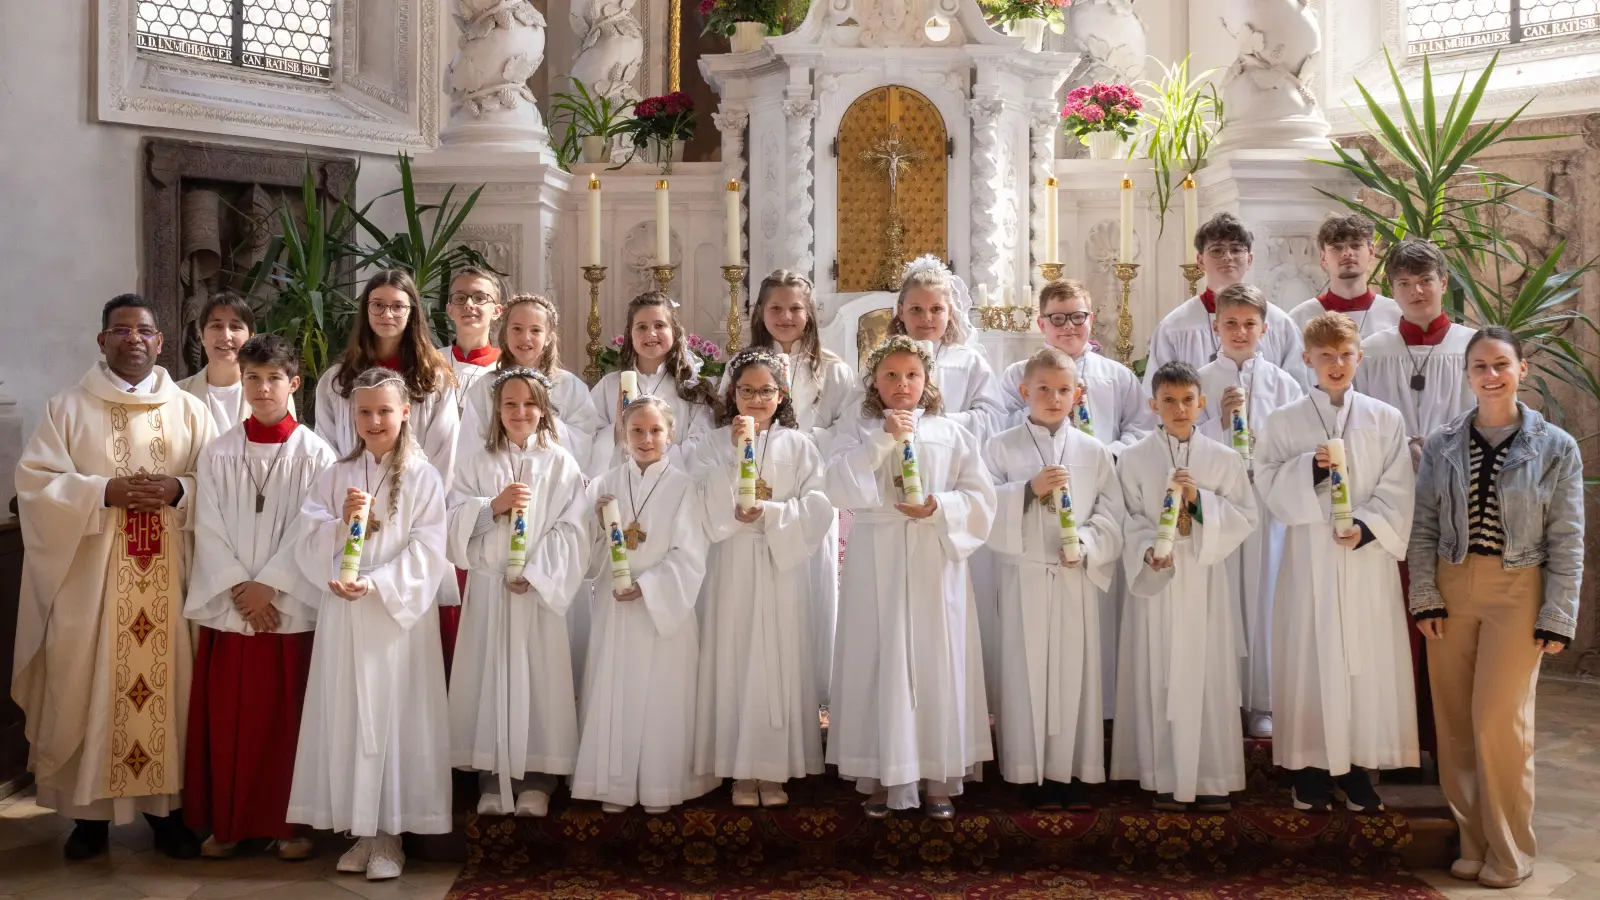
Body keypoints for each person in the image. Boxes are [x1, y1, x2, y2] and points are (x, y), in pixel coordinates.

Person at [13, 294, 215, 860]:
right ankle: (89, 818)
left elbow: (218, 483)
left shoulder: (192, 411)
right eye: (121, 330)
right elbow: (34, 485)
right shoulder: (67, 408)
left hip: (170, 574)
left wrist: (180, 490)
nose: (134, 339)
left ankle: (168, 815)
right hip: (93, 582)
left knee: (170, 692)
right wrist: (103, 490)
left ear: (160, 342)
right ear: (102, 341)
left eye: (144, 331)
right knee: (86, 684)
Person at [1409, 327, 1585, 890]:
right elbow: (1425, 527)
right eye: (1480, 366)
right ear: (1467, 375)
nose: (1491, 375)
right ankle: (1472, 840)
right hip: (1452, 585)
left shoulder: (1556, 446)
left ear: (1521, 369)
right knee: (1456, 723)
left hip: (1518, 588)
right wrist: (1425, 595)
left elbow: (1568, 537)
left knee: (1498, 723)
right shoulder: (1442, 443)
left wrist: (1557, 612)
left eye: (1501, 365)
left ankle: (1511, 850)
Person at [286, 366, 452, 881]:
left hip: (393, 617)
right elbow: (306, 537)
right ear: (350, 415)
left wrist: (377, 584)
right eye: (364, 411)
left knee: (392, 717)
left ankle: (390, 835)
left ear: (406, 413)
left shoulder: (423, 478)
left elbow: (429, 548)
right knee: (349, 715)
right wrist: (339, 525)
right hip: (345, 610)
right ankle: (360, 831)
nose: (374, 420)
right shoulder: (336, 474)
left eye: (384, 410)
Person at [825, 335, 995, 819]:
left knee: (935, 658)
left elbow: (982, 498)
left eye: (913, 375)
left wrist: (940, 506)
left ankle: (939, 775)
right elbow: (835, 483)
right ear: (874, 382)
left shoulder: (952, 432)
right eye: (891, 375)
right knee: (879, 655)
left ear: (928, 380)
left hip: (934, 556)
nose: (903, 385)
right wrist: (881, 440)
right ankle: (880, 774)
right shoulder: (855, 430)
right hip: (877, 554)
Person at [1256, 312, 1417, 813]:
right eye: (1326, 356)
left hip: (1365, 559)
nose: (1337, 364)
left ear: (1359, 358)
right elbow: (1266, 481)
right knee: (1310, 655)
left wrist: (1367, 526)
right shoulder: (1284, 421)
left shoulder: (1385, 418)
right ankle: (1308, 769)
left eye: (1346, 354)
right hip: (1309, 559)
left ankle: (1360, 769)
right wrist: (1309, 467)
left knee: (1364, 661)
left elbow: (1399, 487)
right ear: (1308, 359)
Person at [183, 334, 335, 860]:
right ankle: (229, 824)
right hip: (232, 609)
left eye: (274, 378)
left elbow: (312, 529)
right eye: (253, 378)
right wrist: (240, 589)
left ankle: (287, 826)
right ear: (241, 381)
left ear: (294, 383)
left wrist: (271, 584)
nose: (263, 387)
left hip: (286, 610)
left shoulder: (317, 453)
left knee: (285, 722)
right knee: (230, 723)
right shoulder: (219, 451)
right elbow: (208, 526)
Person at [1112, 361, 1257, 812]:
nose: (1179, 409)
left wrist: (1200, 503)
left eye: (1188, 400)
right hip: (1158, 581)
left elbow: (1246, 517)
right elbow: (1127, 518)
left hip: (1205, 582)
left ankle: (1211, 776)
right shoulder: (1134, 460)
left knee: (1206, 672)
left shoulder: (1223, 459)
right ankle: (1162, 774)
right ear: (1153, 404)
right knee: (1160, 673)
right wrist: (1147, 551)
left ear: (1202, 403)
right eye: (1169, 400)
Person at [984, 347, 1124, 811]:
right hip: (1024, 576)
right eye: (1043, 389)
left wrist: (1085, 543)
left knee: (1072, 673)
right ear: (1025, 391)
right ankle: (1024, 772)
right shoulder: (1001, 446)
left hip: (1072, 577)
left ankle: (1071, 774)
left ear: (1077, 394)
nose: (1054, 397)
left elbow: (1111, 513)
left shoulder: (1093, 450)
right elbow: (982, 509)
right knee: (1023, 671)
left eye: (1064, 390)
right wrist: (1027, 491)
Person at [692, 349, 832, 808]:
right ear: (732, 394)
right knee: (731, 657)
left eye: (765, 390)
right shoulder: (712, 443)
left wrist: (771, 514)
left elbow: (818, 508)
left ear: (781, 395)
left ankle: (773, 770)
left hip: (779, 565)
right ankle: (736, 767)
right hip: (729, 562)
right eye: (746, 390)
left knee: (777, 662)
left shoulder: (800, 445)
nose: (755, 398)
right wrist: (735, 458)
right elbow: (696, 500)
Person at [447, 368, 587, 818]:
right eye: (510, 404)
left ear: (543, 409)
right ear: (496, 409)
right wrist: (492, 507)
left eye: (529, 404)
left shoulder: (560, 462)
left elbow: (573, 527)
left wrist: (538, 572)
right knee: (490, 678)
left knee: (539, 679)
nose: (520, 412)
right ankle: (494, 776)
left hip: (537, 595)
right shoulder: (476, 462)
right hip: (491, 592)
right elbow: (451, 521)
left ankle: (538, 778)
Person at [571, 396, 716, 814]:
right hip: (616, 607)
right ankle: (614, 784)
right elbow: (585, 554)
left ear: (670, 434)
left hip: (661, 608)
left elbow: (690, 554)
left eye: (655, 430)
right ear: (624, 433)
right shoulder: (605, 484)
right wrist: (598, 529)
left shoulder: (685, 486)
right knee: (615, 689)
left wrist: (649, 586)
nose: (646, 438)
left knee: (660, 696)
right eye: (637, 430)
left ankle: (660, 784)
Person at [314, 270, 463, 668]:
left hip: (409, 520)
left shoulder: (437, 380)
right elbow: (327, 451)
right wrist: (351, 499)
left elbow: (444, 455)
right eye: (377, 304)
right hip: (348, 519)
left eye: (398, 305)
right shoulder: (336, 381)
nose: (387, 313)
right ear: (365, 310)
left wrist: (404, 501)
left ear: (413, 312)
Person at [1194, 284, 1304, 740]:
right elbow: (1176, 440)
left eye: (1249, 324)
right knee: (1219, 598)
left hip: (1265, 505)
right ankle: (1221, 695)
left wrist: (1266, 452)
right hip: (1216, 503)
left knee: (1263, 598)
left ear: (1265, 328)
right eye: (1231, 323)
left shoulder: (1284, 383)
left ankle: (1262, 698)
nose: (1240, 332)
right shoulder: (1198, 380)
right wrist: (1216, 422)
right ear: (1215, 326)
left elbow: (1298, 446)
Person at [746, 270, 853, 705]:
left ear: (810, 314)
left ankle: (810, 691)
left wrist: (798, 444)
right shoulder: (744, 366)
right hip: (757, 494)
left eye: (795, 308)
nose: (786, 316)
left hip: (809, 496)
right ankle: (760, 687)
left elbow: (846, 432)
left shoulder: (834, 370)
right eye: (776, 307)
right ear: (761, 312)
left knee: (812, 588)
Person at [1142, 213, 1307, 389]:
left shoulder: (1279, 324)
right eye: (1216, 250)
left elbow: (1299, 392)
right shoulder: (1174, 327)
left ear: (1249, 259)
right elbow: (1157, 395)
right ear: (1200, 261)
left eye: (1236, 249)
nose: (1227, 257)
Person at [1356, 238, 1477, 468]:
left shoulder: (1474, 347)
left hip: (1460, 473)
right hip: (1390, 475)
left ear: (1443, 283)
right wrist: (1403, 445)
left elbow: (1496, 417)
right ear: (1391, 290)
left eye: (1425, 280)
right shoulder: (1370, 353)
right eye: (1404, 283)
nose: (1416, 291)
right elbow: (1356, 420)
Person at [459, 293, 604, 474]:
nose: (525, 337)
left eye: (535, 330)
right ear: (505, 334)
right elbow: (471, 442)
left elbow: (584, 439)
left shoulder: (570, 386)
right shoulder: (485, 387)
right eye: (517, 329)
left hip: (552, 479)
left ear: (549, 337)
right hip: (497, 479)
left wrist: (541, 425)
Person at [589, 292, 718, 471]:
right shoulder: (608, 386)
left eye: (659, 325)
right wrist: (618, 429)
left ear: (674, 331)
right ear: (630, 334)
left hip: (674, 484)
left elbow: (702, 443)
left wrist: (656, 459)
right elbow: (589, 438)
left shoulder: (691, 387)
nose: (651, 333)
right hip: (619, 484)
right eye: (641, 327)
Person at [888, 256, 1008, 443]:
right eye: (916, 309)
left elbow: (995, 420)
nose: (926, 318)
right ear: (901, 312)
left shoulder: (968, 362)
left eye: (936, 309)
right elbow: (861, 416)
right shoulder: (884, 360)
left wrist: (938, 423)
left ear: (950, 311)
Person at [1287, 214, 1402, 352]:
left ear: (1371, 251)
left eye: (1355, 245)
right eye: (1337, 247)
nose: (1347, 253)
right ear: (1323, 258)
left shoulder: (1396, 314)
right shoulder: (1300, 318)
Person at [179, 291, 278, 433]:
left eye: (235, 327)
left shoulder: (275, 393)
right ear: (201, 335)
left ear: (250, 337)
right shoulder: (178, 394)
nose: (226, 336)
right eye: (216, 326)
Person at [443, 265, 504, 428]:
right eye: (460, 298)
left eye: (479, 298)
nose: (469, 304)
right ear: (449, 310)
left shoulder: (506, 367)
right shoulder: (431, 362)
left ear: (496, 311)